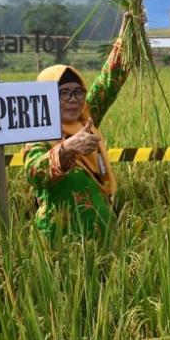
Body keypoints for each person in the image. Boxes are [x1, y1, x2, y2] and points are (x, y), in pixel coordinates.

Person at [22, 15, 130, 237]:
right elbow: (35, 174)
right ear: (46, 96)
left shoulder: (85, 120)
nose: (73, 99)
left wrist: (128, 33)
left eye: (78, 91)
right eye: (63, 93)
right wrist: (67, 148)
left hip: (103, 233)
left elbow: (109, 80)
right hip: (59, 241)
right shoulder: (38, 133)